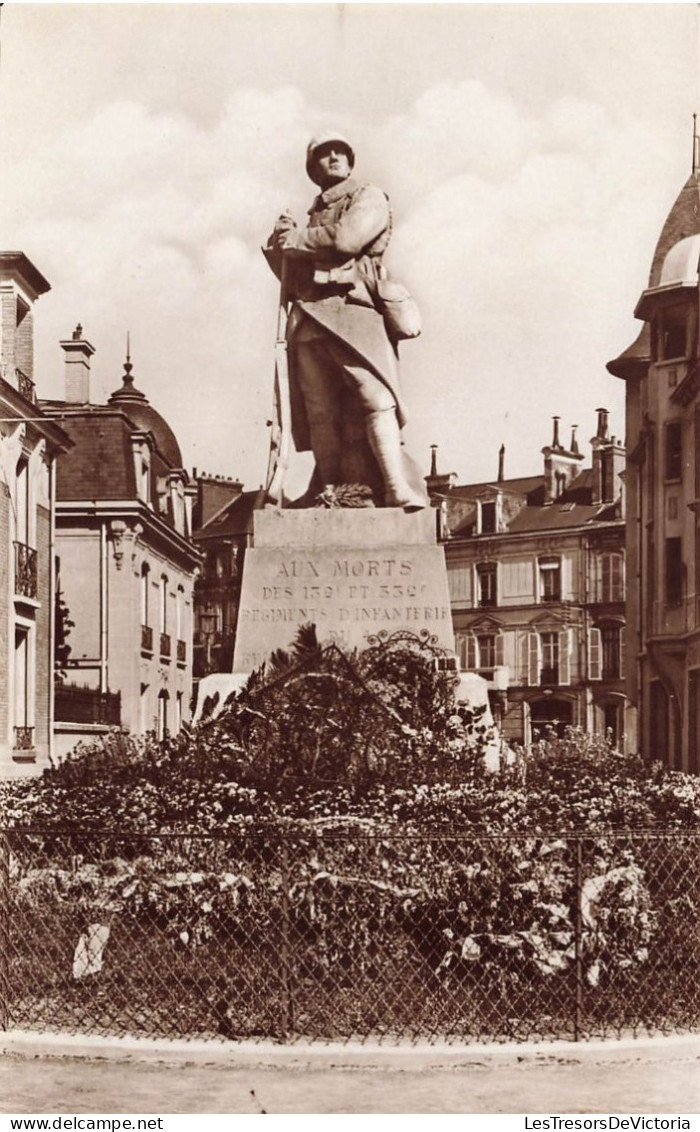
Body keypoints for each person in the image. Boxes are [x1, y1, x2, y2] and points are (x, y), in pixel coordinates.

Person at [265, 131, 426, 511]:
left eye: (340, 151)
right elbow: (293, 268)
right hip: (308, 317)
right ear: (312, 167)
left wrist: (298, 241)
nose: (334, 156)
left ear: (351, 161)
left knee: (375, 398)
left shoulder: (369, 196)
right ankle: (330, 492)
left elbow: (348, 240)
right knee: (319, 411)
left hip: (353, 310)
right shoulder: (310, 215)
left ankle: (394, 486)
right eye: (324, 153)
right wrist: (280, 243)